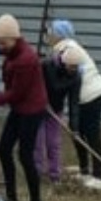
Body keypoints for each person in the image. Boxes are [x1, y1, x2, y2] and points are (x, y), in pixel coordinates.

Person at [0, 14, 48, 201]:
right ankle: (12, 198)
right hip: (19, 108)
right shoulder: (14, 51)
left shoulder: (26, 59)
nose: (0, 46)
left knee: (25, 155)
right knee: (4, 149)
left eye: (2, 43)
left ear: (14, 38)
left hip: (31, 110)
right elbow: (7, 56)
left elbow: (17, 93)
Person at [49, 19, 101, 191]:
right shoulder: (65, 47)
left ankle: (98, 177)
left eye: (51, 32)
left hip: (92, 95)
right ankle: (84, 171)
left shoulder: (67, 49)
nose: (49, 36)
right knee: (77, 132)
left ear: (59, 35)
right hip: (84, 97)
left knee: (91, 134)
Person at [39, 47, 79, 182]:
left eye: (76, 67)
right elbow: (37, 84)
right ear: (64, 62)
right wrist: (42, 100)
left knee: (53, 143)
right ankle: (36, 172)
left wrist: (74, 127)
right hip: (38, 107)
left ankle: (54, 174)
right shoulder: (46, 65)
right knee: (37, 142)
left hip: (55, 110)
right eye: (72, 66)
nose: (74, 69)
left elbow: (74, 102)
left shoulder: (76, 77)